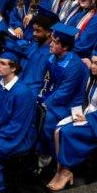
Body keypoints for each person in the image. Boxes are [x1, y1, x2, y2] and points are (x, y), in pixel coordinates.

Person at [47, 44, 97, 192]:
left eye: (96, 63)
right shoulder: (93, 80)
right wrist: (77, 113)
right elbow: (86, 102)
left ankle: (66, 171)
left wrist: (87, 118)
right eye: (92, 62)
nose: (92, 66)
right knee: (57, 129)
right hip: (90, 117)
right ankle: (60, 168)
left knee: (67, 132)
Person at [0, 46, 37, 193]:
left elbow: (17, 127)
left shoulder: (22, 93)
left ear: (14, 68)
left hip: (18, 137)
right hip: (0, 131)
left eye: (3, 63)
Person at [39, 23, 88, 164]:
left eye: (55, 42)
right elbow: (45, 81)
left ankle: (50, 158)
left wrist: (43, 103)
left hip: (70, 106)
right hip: (52, 99)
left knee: (45, 121)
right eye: (52, 40)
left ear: (65, 47)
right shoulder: (52, 58)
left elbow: (64, 94)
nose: (50, 44)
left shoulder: (74, 65)